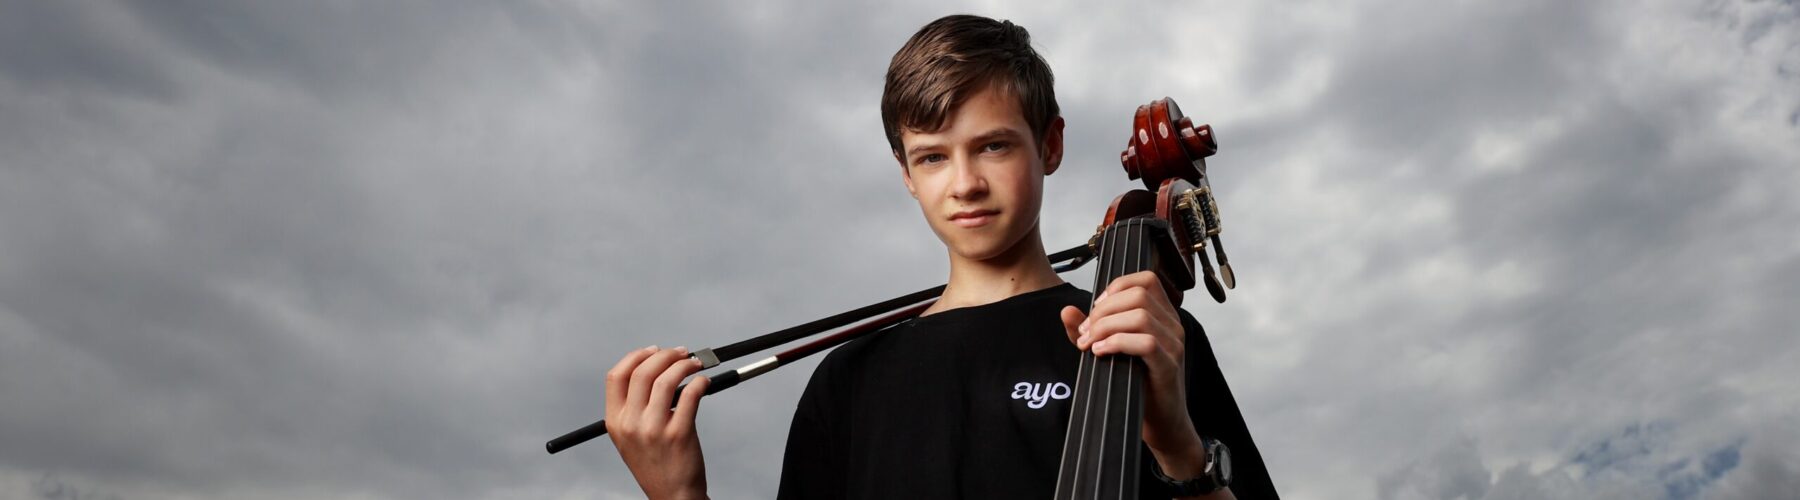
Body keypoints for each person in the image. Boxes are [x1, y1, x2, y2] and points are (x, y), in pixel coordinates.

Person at [600, 14, 1278, 500]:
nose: (965, 185)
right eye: (932, 157)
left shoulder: (1150, 338)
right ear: (905, 173)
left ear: (1050, 145)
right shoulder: (849, 381)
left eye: (993, 146)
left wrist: (1181, 452)